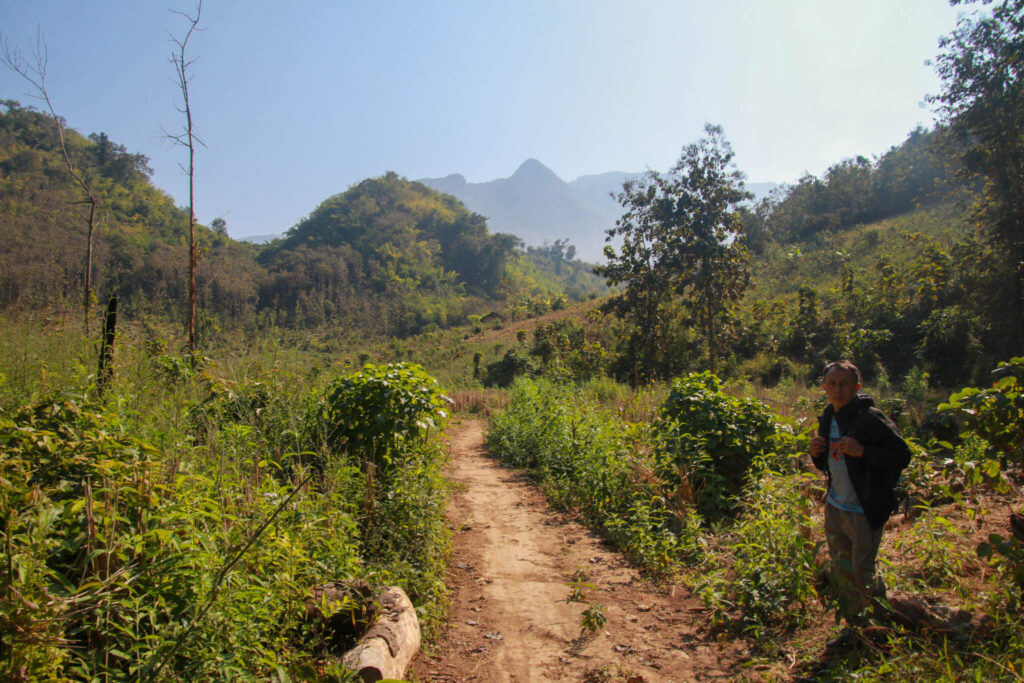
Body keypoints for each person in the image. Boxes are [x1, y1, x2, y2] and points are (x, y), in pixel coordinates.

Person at [809, 360, 911, 623]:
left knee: (863, 572)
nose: (838, 389)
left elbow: (901, 455)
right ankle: (856, 626)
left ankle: (880, 624)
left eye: (844, 384)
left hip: (864, 510)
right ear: (824, 387)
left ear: (856, 387)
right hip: (835, 507)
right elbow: (827, 464)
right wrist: (816, 453)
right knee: (842, 571)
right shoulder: (829, 416)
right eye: (832, 383)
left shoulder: (871, 419)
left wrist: (863, 451)